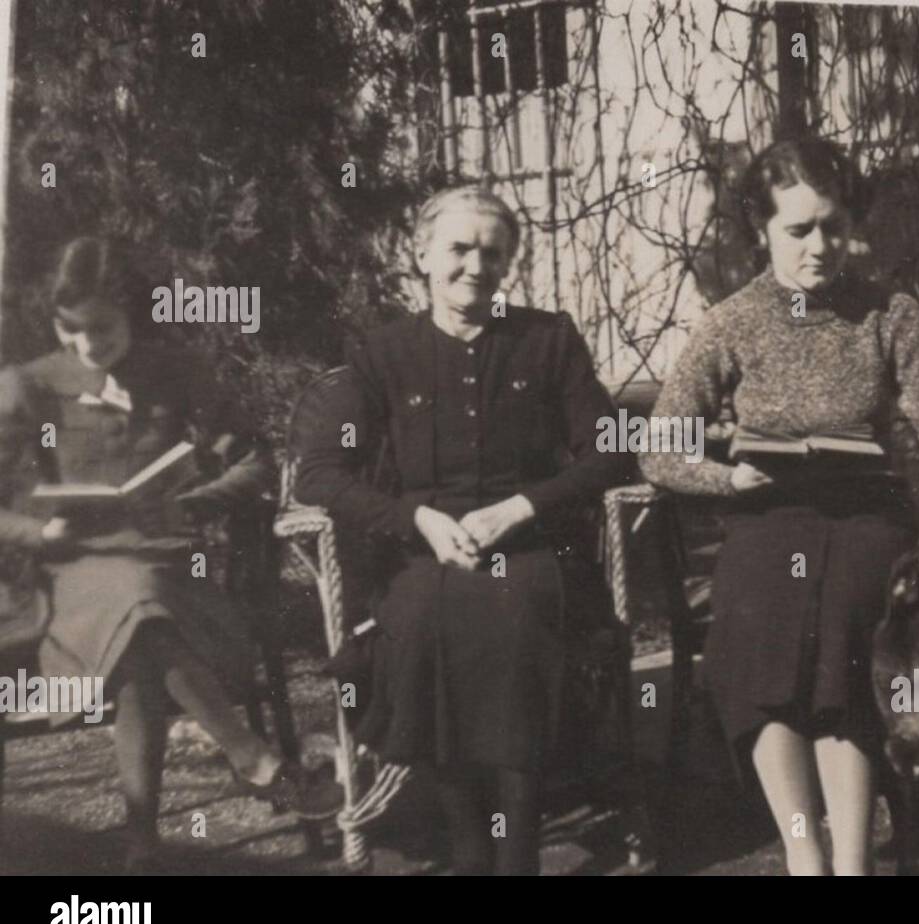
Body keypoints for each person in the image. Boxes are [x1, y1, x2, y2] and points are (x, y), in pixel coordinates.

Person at [639, 139, 919, 875]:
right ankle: (805, 853)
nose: (819, 247)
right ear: (763, 230)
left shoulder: (888, 314)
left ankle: (852, 859)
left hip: (866, 513)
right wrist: (726, 480)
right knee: (759, 627)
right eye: (798, 230)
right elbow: (659, 448)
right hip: (766, 512)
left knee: (849, 611)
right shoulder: (731, 323)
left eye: (833, 227)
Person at [295, 185, 633, 875]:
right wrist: (416, 518)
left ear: (508, 264)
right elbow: (322, 472)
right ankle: (469, 846)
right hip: (423, 554)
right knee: (421, 625)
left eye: (492, 252)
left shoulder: (547, 341)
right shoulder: (383, 354)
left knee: (517, 619)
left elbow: (610, 452)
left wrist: (522, 508)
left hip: (532, 547)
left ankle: (517, 855)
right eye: (458, 248)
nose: (475, 265)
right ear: (422, 255)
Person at [0, 237, 343, 873]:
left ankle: (142, 845)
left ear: (131, 313)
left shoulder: (175, 371)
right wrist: (32, 533)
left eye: (101, 329)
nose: (85, 345)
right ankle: (253, 758)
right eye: (67, 329)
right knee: (137, 605)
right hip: (71, 577)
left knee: (143, 623)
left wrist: (196, 503)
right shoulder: (29, 385)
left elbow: (254, 459)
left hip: (172, 568)